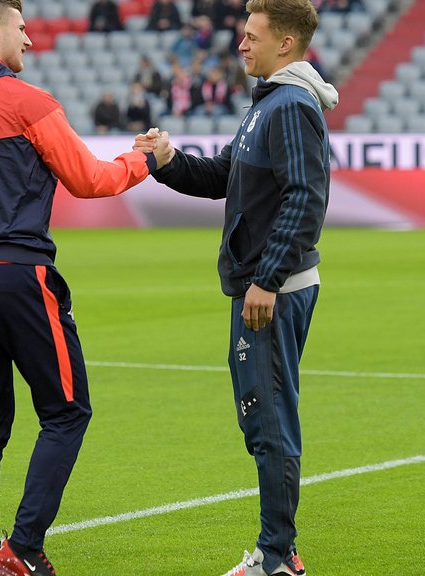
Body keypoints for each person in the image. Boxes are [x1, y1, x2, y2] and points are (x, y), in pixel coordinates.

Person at [0, 1, 162, 575]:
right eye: (23, 29)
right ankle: (20, 550)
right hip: (19, 272)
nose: (31, 41)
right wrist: (143, 158)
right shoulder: (28, 103)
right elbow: (90, 179)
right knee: (67, 412)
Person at [135, 0, 337, 573]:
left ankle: (278, 558)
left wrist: (267, 279)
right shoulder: (268, 103)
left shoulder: (292, 106)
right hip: (260, 287)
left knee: (270, 420)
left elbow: (306, 198)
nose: (241, 45)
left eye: (252, 36)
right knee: (260, 417)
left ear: (287, 45)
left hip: (274, 290)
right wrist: (170, 159)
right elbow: (225, 177)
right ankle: (277, 552)